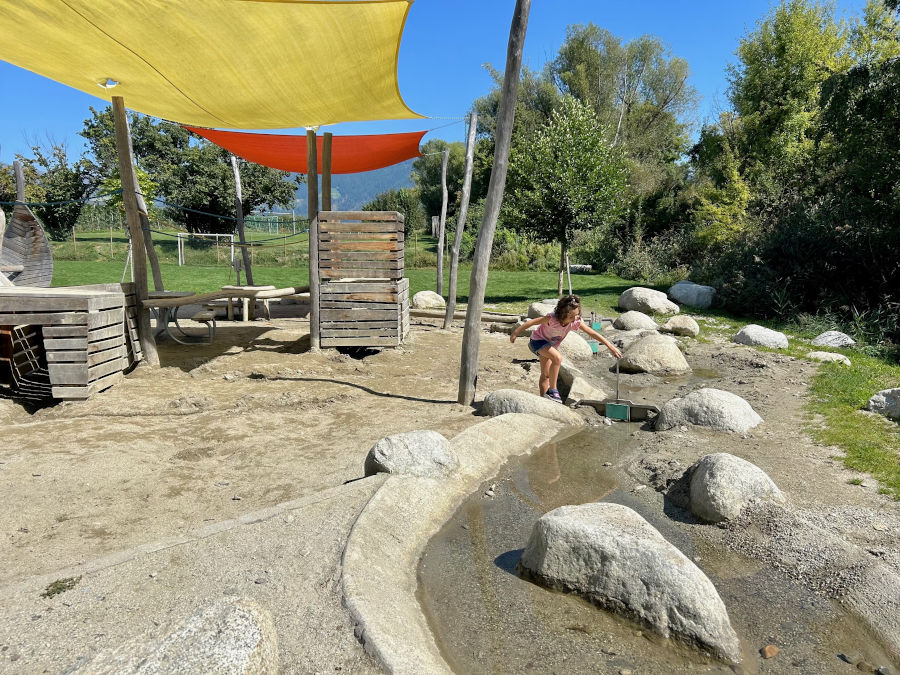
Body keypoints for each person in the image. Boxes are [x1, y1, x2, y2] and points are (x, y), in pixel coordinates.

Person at [510, 294, 622, 402]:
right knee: (557, 358)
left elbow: (592, 333)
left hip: (550, 346)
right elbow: (532, 322)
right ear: (563, 314)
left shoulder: (575, 322)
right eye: (571, 316)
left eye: (577, 315)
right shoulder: (552, 319)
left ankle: (544, 399)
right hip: (537, 341)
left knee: (546, 374)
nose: (574, 318)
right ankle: (553, 390)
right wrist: (516, 333)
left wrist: (611, 347)